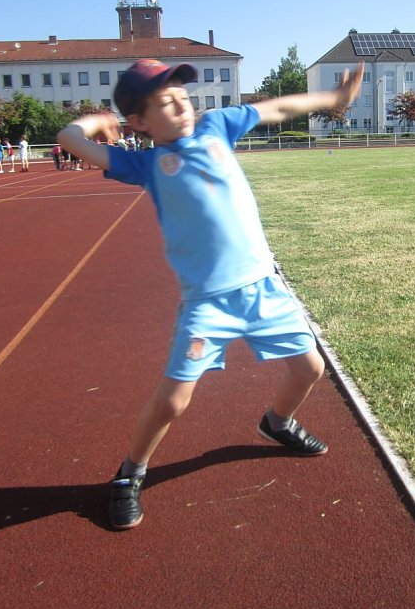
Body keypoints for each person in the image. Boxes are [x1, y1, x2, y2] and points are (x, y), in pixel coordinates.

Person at [58, 57, 364, 530]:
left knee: (311, 368)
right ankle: (128, 475)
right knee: (174, 402)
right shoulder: (145, 164)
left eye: (183, 95)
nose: (182, 104)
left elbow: (277, 108)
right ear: (139, 122)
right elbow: (69, 141)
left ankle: (276, 423)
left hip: (264, 288)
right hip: (208, 304)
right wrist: (97, 121)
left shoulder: (218, 125)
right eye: (166, 101)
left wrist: (334, 99)